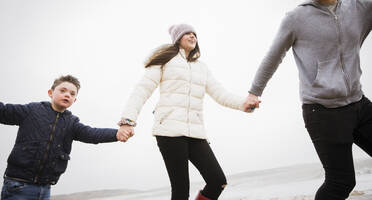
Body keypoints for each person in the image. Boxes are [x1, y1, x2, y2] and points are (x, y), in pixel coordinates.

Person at [243, 0, 372, 199]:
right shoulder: (296, 18)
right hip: (322, 112)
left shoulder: (361, 9)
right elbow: (273, 56)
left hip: (358, 104)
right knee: (341, 182)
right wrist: (254, 92)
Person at [118, 24, 248, 200]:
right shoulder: (165, 61)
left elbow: (220, 93)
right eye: (187, 33)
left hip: (195, 132)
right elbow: (141, 91)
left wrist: (243, 104)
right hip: (169, 130)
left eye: (194, 33)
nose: (192, 36)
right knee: (180, 190)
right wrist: (128, 120)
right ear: (178, 38)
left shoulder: (202, 68)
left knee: (218, 181)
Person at [0, 75, 133, 200]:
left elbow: (92, 134)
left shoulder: (71, 122)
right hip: (18, 186)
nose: (67, 94)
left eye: (72, 93)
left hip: (45, 188)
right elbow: (3, 111)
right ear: (50, 93)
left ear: (74, 100)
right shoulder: (31, 111)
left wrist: (116, 134)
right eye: (62, 90)